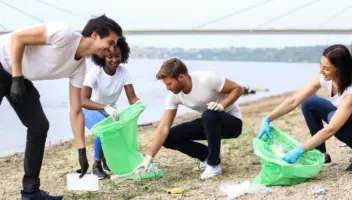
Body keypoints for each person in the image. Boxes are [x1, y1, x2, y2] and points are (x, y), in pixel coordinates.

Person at [0, 15, 123, 199]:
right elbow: (18, 38)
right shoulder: (64, 34)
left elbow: (75, 111)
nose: (112, 49)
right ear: (95, 35)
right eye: (111, 42)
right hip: (4, 63)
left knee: (39, 126)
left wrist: (81, 151)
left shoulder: (78, 68)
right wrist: (17, 78)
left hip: (17, 76)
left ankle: (30, 192)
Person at [136, 58, 244, 179]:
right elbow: (164, 127)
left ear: (181, 77)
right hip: (210, 123)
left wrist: (222, 106)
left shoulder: (207, 78)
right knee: (168, 137)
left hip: (232, 123)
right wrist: (149, 157)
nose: (167, 88)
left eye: (169, 84)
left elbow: (238, 88)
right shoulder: (174, 95)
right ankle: (206, 157)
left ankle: (214, 165)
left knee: (209, 115)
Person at [257, 44, 352, 170]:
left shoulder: (350, 93)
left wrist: (300, 150)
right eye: (320, 65)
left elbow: (330, 129)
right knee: (309, 102)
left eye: (326, 68)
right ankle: (321, 154)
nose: (321, 71)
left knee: (332, 117)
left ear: (339, 70)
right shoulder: (326, 77)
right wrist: (268, 118)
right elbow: (295, 100)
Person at [81, 36, 140, 179]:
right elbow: (82, 100)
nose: (114, 60)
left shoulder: (123, 72)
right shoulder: (94, 74)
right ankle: (96, 166)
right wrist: (105, 107)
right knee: (105, 130)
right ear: (102, 57)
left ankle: (108, 160)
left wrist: (139, 106)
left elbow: (132, 97)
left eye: (117, 56)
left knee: (115, 131)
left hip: (108, 111)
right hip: (89, 110)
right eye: (110, 56)